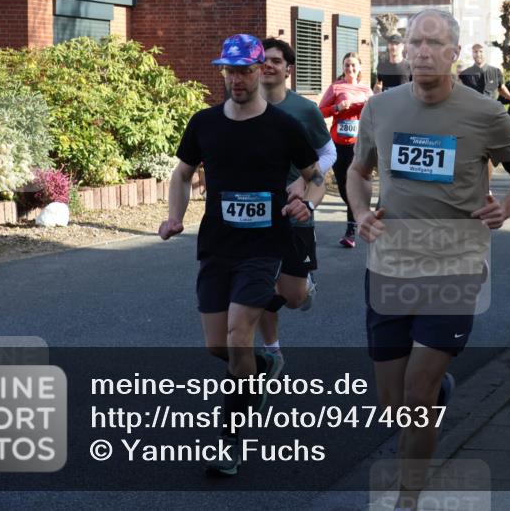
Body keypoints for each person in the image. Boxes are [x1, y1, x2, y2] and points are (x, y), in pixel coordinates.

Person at [347, 9, 510, 511]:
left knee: (417, 391)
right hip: (389, 265)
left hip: (455, 267)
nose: (424, 51)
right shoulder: (380, 109)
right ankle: (437, 392)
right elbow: (356, 170)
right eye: (416, 43)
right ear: (403, 50)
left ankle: (409, 499)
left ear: (455, 52)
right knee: (394, 405)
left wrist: (507, 207)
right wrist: (361, 210)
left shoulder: (486, 114)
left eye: (435, 43)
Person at [158, 34, 321, 476]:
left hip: (266, 245)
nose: (238, 79)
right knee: (219, 345)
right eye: (230, 71)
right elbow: (183, 172)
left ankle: (230, 441)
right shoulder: (204, 123)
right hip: (217, 245)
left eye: (245, 71)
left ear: (259, 72)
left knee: (237, 335)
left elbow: (316, 176)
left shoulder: (285, 126)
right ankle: (263, 364)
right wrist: (175, 216)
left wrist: (306, 197)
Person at [256, 37, 336, 379]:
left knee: (292, 296)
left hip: (296, 208)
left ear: (288, 70)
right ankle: (271, 350)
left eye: (276, 60)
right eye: (264, 60)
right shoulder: (241, 102)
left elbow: (328, 152)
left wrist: (305, 185)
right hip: (256, 210)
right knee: (257, 284)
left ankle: (306, 287)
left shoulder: (304, 109)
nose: (268, 65)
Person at [319, 51, 373, 248]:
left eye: (353, 65)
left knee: (353, 183)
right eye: (346, 65)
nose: (350, 68)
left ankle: (350, 231)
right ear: (343, 68)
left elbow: (374, 116)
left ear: (359, 67)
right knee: (342, 185)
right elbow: (320, 111)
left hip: (358, 145)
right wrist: (337, 108)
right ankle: (355, 210)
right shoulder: (335, 87)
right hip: (338, 144)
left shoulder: (366, 90)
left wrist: (369, 107)